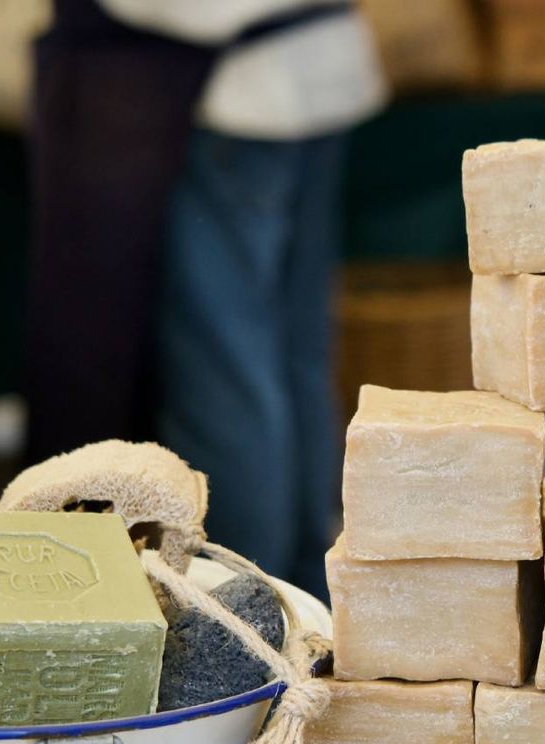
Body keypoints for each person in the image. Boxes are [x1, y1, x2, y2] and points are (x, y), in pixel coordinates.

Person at [28, 0, 387, 598]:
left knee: (227, 371)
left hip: (231, 83)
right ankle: (305, 600)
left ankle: (248, 613)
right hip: (309, 63)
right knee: (290, 358)